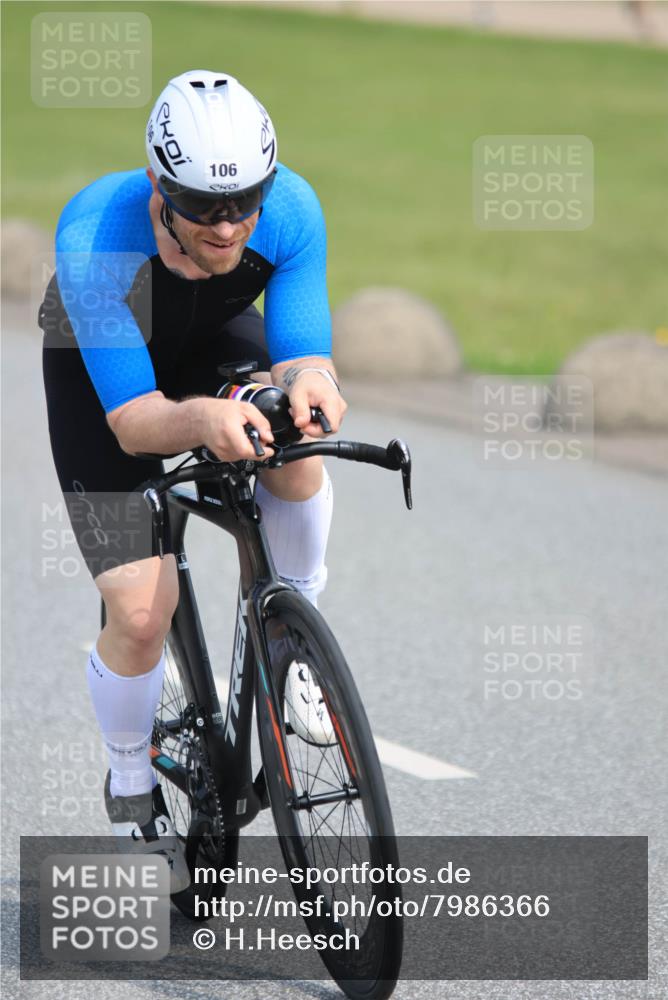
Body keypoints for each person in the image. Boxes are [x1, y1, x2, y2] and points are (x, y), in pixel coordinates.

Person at [40, 70, 347, 890]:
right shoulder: (95, 237)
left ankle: (294, 647)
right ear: (157, 187)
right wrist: (204, 421)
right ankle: (132, 790)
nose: (229, 224)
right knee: (141, 612)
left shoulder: (290, 210)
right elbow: (134, 421)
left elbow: (300, 344)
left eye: (245, 200)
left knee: (293, 443)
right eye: (204, 206)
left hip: (211, 335)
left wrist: (311, 378)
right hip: (103, 373)